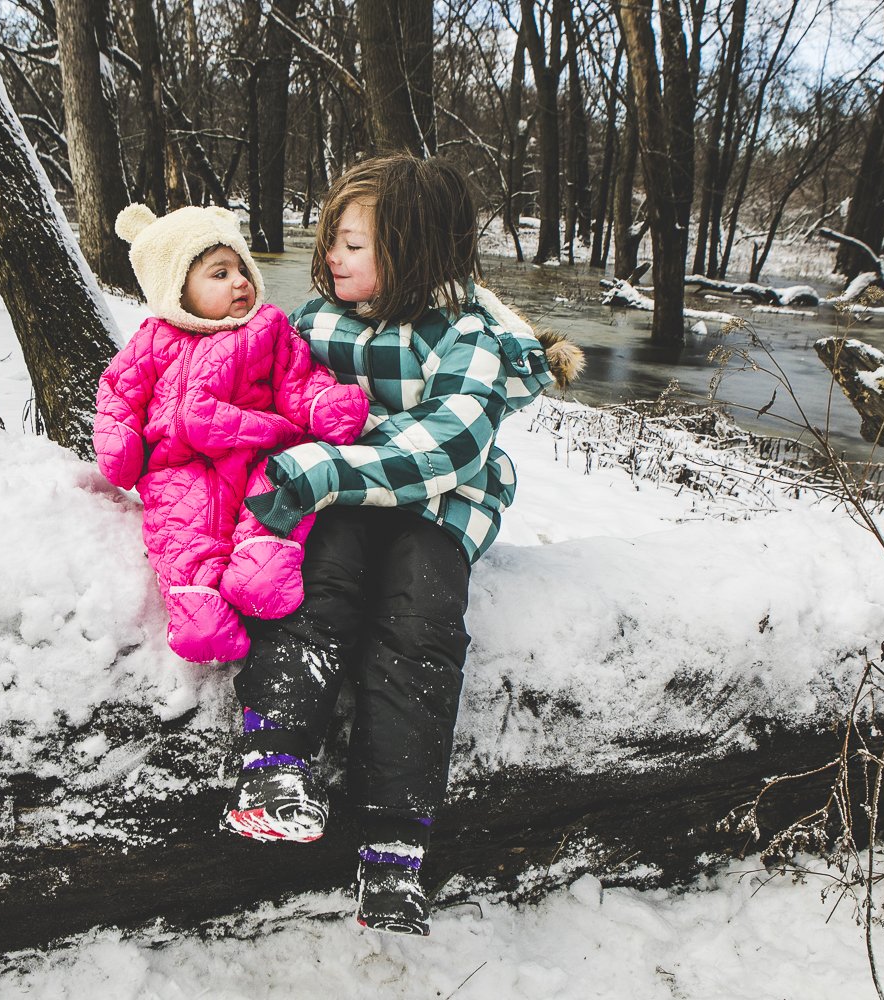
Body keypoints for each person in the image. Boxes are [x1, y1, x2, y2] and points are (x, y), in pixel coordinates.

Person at [219, 155, 583, 936]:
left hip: (438, 509)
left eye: (354, 243)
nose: (332, 257)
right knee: (319, 591)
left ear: (415, 249)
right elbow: (267, 392)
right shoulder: (316, 321)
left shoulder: (468, 338)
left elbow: (447, 448)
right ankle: (273, 762)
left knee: (419, 630)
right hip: (346, 502)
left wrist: (324, 464)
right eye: (333, 240)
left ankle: (395, 842)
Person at [93, 204, 370, 664]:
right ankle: (197, 611)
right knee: (182, 535)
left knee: (274, 506)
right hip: (178, 469)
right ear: (176, 290)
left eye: (242, 268)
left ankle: (262, 572)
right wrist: (117, 438)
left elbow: (297, 379)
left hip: (259, 454)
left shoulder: (268, 327)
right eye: (219, 274)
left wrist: (325, 404)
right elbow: (118, 391)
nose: (240, 281)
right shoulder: (153, 339)